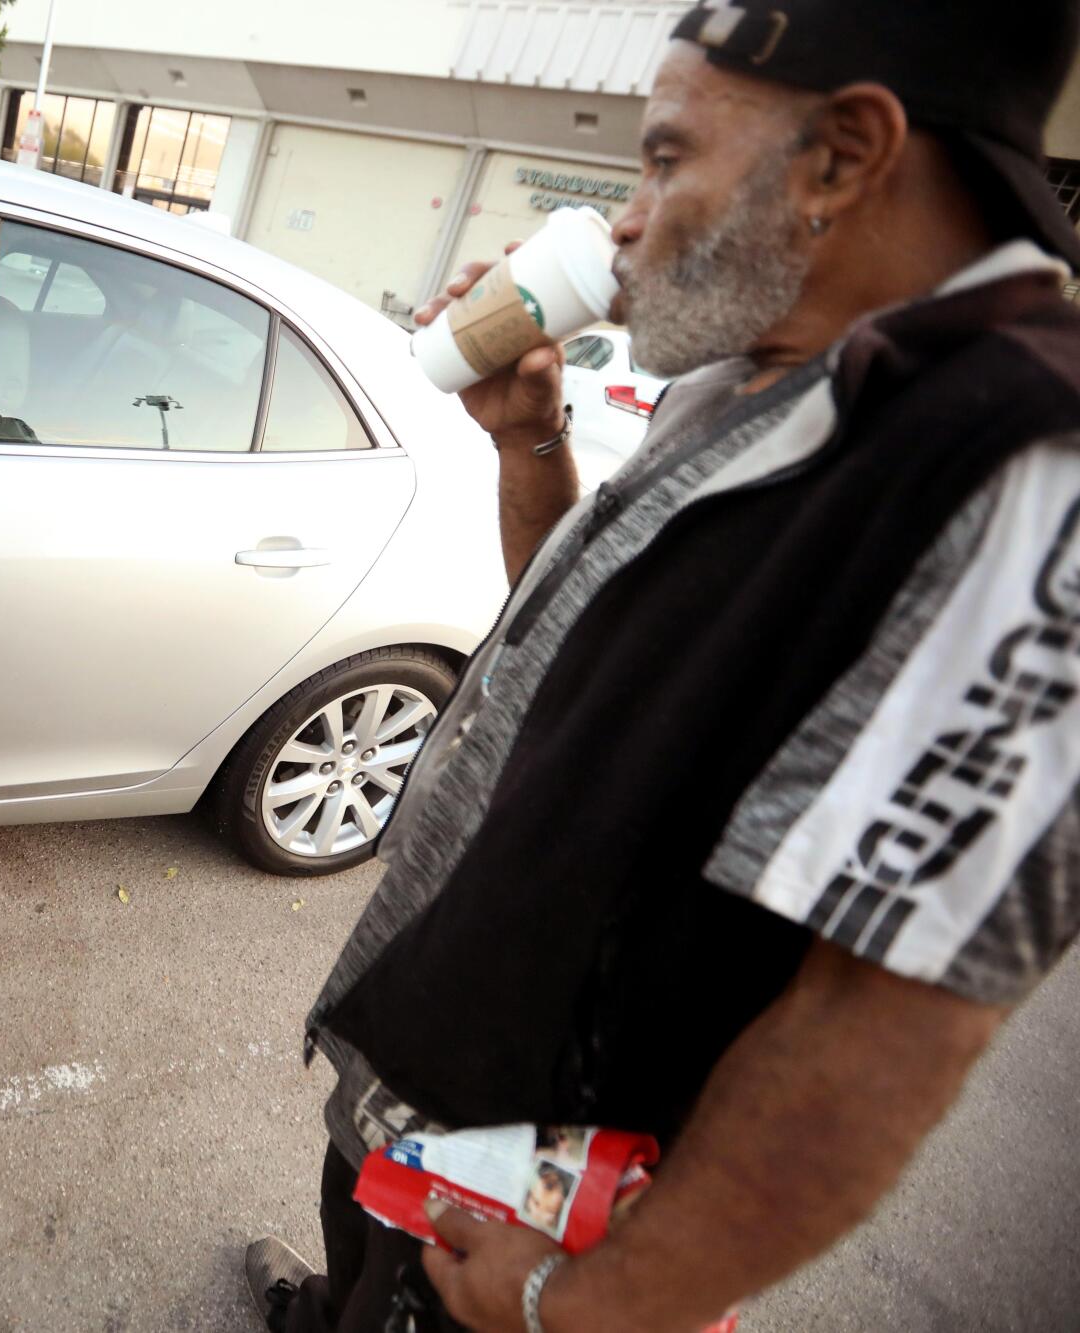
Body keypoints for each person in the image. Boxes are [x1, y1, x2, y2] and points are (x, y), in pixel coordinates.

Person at [244, 3, 1080, 1331]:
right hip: (435, 1073)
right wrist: (528, 441)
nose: (624, 220)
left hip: (545, 1186)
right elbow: (578, 653)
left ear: (844, 155)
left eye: (664, 157)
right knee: (356, 1254)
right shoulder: (752, 373)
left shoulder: (1026, 474)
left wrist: (591, 1301)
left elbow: (886, 1018)